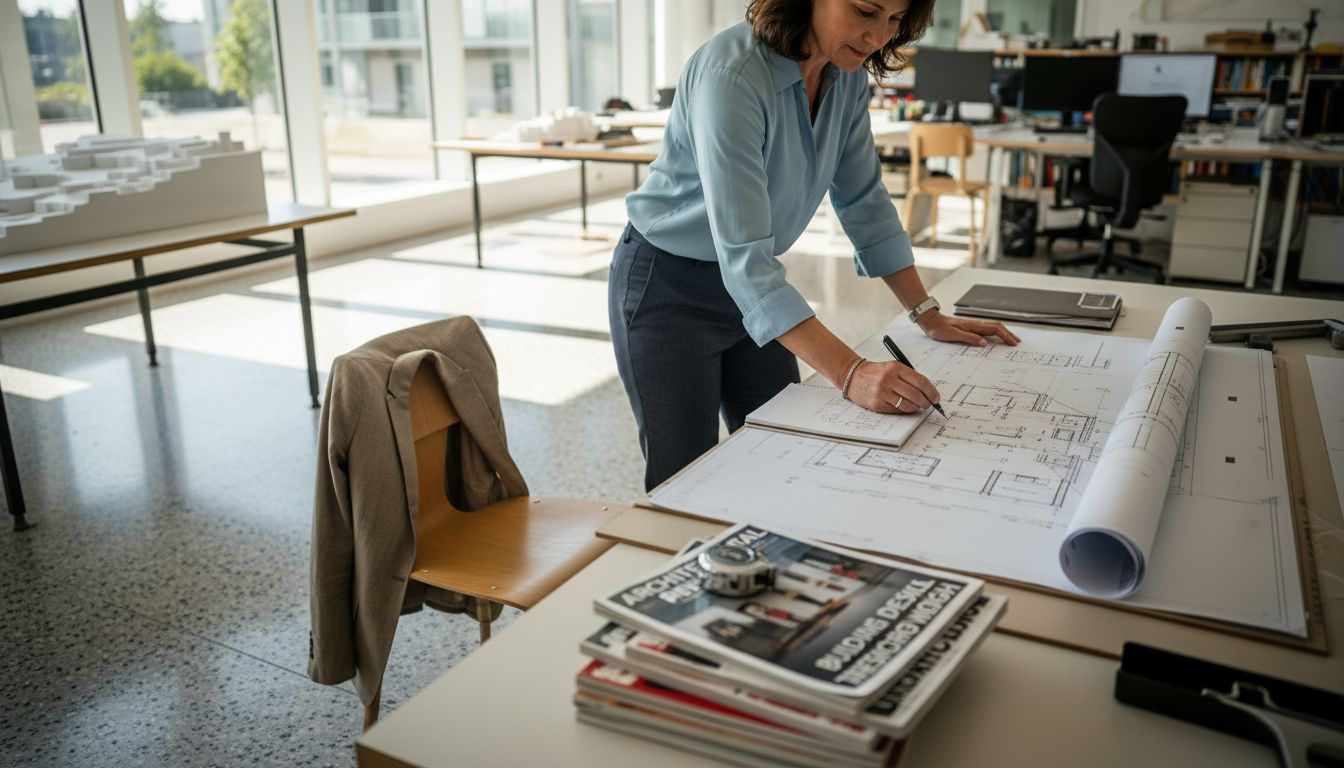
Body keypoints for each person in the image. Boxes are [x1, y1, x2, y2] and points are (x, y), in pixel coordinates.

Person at [609, 0, 1019, 491]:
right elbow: (745, 258)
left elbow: (865, 201)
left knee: (782, 452)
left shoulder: (843, 77)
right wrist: (852, 373)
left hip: (754, 289)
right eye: (865, 11)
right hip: (668, 287)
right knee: (686, 477)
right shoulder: (732, 75)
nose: (878, 38)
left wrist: (926, 313)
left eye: (894, 21)